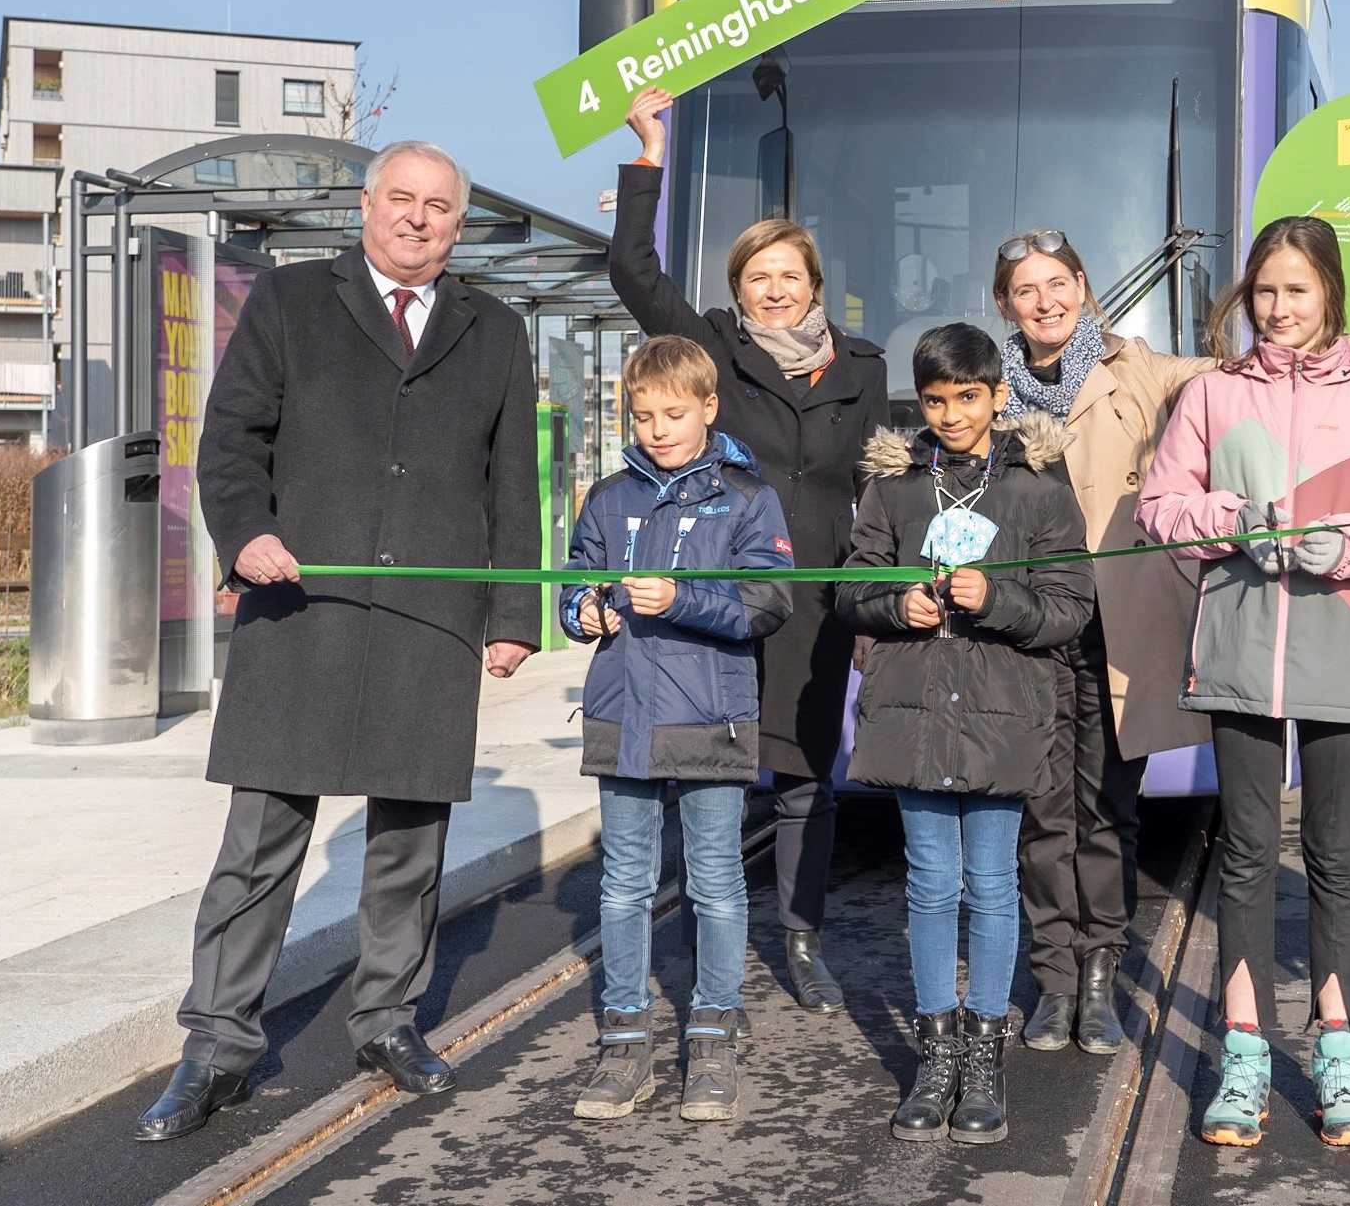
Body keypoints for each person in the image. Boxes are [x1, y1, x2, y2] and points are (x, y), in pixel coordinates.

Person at [136, 142, 540, 1142]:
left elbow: (511, 479)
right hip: (298, 609)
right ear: (366, 206)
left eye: (437, 206)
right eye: (400, 199)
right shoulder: (288, 302)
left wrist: (514, 616)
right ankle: (217, 1046)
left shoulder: (495, 328)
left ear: (458, 222)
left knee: (409, 846)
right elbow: (228, 440)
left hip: (425, 618)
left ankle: (388, 1022)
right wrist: (247, 534)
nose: (417, 218)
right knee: (260, 846)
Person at [991, 228, 1350, 1055]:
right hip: (1023, 614)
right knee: (1042, 812)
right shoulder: (987, 386)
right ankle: (1053, 979)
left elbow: (1272, 374)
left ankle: (1098, 975)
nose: (1044, 301)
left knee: (1112, 807)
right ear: (1005, 304)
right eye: (1025, 290)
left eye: (1058, 283)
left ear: (1084, 286)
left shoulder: (1145, 368)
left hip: (1117, 616)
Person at [1137, 217, 1350, 1151]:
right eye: (1265, 290)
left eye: (1297, 291)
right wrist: (1241, 518)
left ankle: (1339, 1050)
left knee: (1335, 854)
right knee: (1242, 853)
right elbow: (1160, 506)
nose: (1277, 309)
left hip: (1344, 642)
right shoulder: (1211, 394)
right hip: (1235, 646)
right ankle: (1244, 1052)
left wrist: (1345, 546)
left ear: (1330, 296)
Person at [608, 87, 889, 1014]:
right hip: (725, 590)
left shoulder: (866, 366)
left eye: (790, 275)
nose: (775, 289)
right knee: (707, 762)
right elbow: (633, 271)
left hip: (820, 594)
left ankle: (800, 938)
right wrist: (648, 154)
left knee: (809, 778)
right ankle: (702, 933)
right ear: (738, 288)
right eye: (758, 276)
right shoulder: (713, 350)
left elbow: (880, 479)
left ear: (816, 283)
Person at [838, 324, 1094, 1146]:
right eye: (937, 400)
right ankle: (935, 1054)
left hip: (1003, 716)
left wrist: (1000, 601)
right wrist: (892, 605)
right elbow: (850, 586)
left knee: (990, 883)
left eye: (967, 398)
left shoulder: (1039, 488)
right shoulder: (894, 487)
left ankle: (983, 1055)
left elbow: (1070, 607)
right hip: (915, 714)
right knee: (927, 885)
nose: (950, 415)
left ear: (998, 396)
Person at [559, 336, 795, 1124]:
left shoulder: (748, 497)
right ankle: (626, 1043)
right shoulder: (607, 496)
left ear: (707, 408)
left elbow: (770, 604)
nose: (657, 428)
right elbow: (573, 582)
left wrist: (682, 598)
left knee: (716, 881)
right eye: (644, 413)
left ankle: (713, 1035)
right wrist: (583, 611)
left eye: (674, 413)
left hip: (713, 719)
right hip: (623, 715)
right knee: (623, 882)